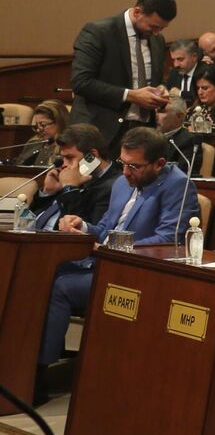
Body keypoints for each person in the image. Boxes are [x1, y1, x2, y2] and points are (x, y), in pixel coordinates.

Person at [40, 127, 194, 370]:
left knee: (60, 286)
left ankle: (38, 372)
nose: (125, 172)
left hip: (137, 272)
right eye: (123, 163)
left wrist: (110, 247)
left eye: (134, 166)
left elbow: (169, 240)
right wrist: (84, 226)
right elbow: (105, 228)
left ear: (159, 163)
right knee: (39, 271)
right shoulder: (122, 183)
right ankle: (23, 358)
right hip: (104, 261)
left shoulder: (178, 185)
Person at [70, 0, 175, 151]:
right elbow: (81, 82)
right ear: (137, 12)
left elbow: (154, 81)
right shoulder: (98, 32)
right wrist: (130, 96)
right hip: (98, 132)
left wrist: (160, 89)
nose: (157, 32)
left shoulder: (157, 41)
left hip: (141, 134)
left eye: (162, 28)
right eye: (154, 26)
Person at [25, 123, 119, 231]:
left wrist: (70, 189)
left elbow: (84, 231)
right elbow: (29, 222)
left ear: (92, 156)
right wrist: (48, 192)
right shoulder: (77, 173)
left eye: (69, 157)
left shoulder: (114, 186)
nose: (64, 164)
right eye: (63, 158)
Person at [17, 101, 67, 168]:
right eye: (37, 125)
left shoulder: (69, 147)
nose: (38, 130)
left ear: (59, 122)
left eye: (43, 125)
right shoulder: (33, 143)